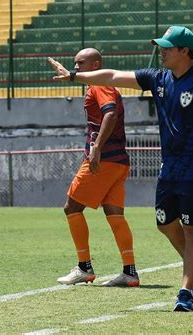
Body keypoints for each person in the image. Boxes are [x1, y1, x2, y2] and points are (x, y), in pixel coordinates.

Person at [49, 25, 193, 312]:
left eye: (167, 48)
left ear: (184, 51)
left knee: (192, 228)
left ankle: (186, 291)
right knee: (164, 223)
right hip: (170, 166)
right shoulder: (158, 78)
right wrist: (74, 75)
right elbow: (111, 76)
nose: (162, 52)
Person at [56, 48, 140, 287]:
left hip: (103, 161)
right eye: (75, 63)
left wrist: (96, 149)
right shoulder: (100, 84)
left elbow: (110, 114)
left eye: (81, 63)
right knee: (115, 214)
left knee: (71, 207)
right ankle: (130, 271)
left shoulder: (100, 85)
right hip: (119, 160)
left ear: (96, 65)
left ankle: (84, 267)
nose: (77, 67)